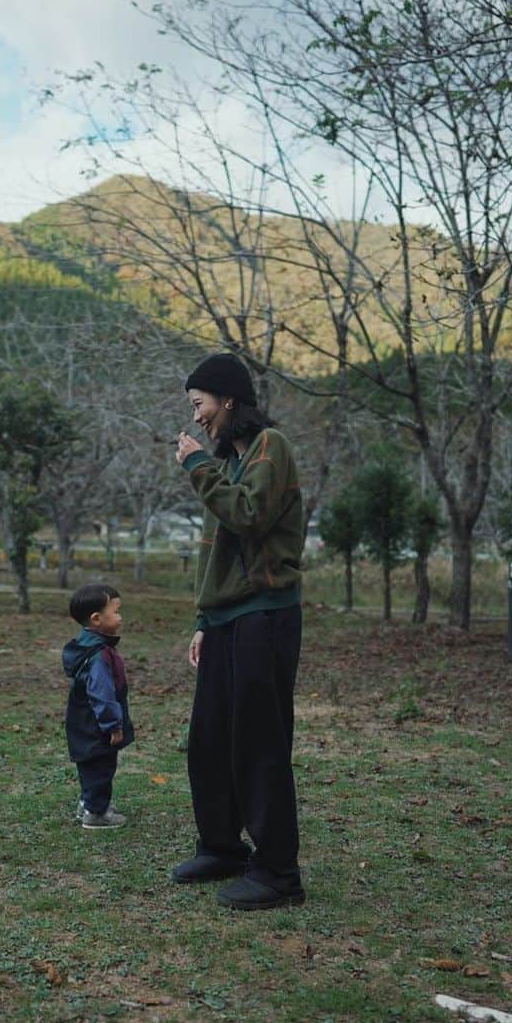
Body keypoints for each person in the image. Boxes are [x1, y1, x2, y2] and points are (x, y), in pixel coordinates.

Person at [172, 352, 306, 910]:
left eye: (200, 405)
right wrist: (205, 620)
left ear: (228, 399)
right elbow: (220, 552)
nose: (197, 418)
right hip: (228, 617)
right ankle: (222, 846)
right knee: (209, 740)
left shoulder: (269, 446)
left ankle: (278, 872)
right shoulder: (229, 458)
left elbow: (249, 516)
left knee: (258, 742)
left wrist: (197, 465)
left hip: (265, 613)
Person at [61, 582, 135, 830]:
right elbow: (102, 694)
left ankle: (87, 802)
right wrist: (113, 725)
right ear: (96, 619)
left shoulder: (84, 645)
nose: (120, 617)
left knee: (89, 764)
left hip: (82, 720)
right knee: (101, 766)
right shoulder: (99, 655)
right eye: (115, 612)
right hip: (97, 724)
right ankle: (96, 813)